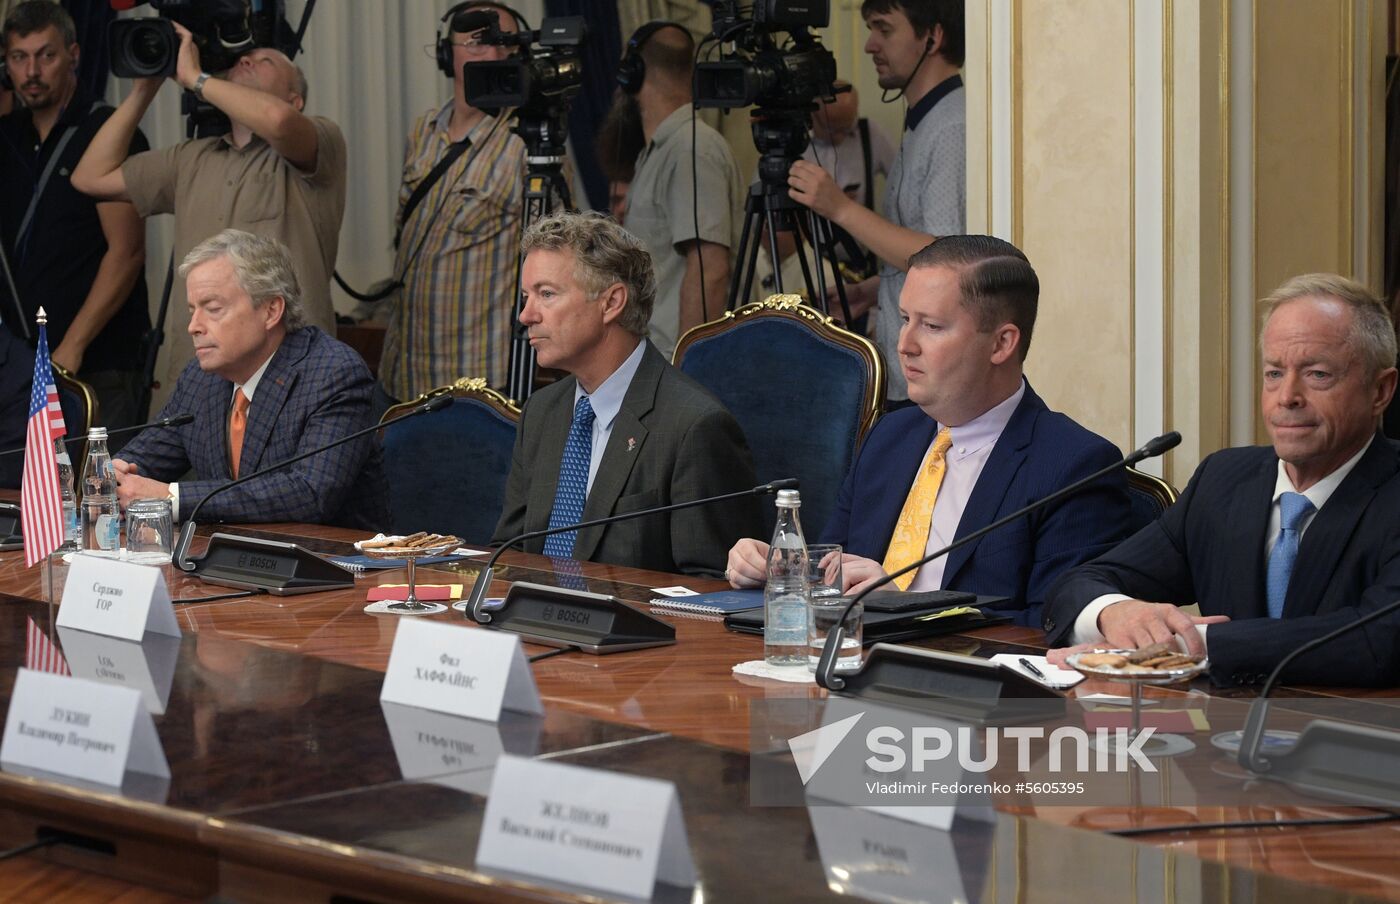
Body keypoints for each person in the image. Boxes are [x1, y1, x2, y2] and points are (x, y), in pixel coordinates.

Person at [726, 235, 1131, 625]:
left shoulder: (1073, 465)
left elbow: (1052, 625)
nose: (905, 344)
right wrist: (782, 569)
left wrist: (907, 608)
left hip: (968, 687)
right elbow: (834, 570)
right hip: (849, 672)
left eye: (932, 326)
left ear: (1001, 344)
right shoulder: (889, 436)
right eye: (904, 320)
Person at [1046, 274, 1400, 687]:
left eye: (1317, 374)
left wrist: (1190, 642)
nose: (1287, 396)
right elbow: (1077, 584)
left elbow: (1377, 640)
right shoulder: (1225, 480)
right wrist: (1115, 613)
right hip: (1211, 736)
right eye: (1273, 373)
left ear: (1380, 390)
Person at [71, 21, 345, 404]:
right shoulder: (191, 157)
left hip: (292, 383)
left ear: (295, 98)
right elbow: (90, 177)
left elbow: (279, 122)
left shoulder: (319, 141)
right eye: (243, 59)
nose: (247, 59)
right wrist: (144, 89)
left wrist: (195, 78)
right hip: (198, 383)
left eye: (265, 60)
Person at [494, 211, 762, 577]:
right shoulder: (542, 411)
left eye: (546, 294)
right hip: (533, 625)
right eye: (526, 296)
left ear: (611, 302)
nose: (526, 315)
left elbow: (712, 591)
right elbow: (509, 555)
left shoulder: (694, 426)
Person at [113, 230, 387, 530]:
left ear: (271, 310)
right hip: (225, 562)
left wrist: (171, 497)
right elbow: (143, 459)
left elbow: (310, 493)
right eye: (192, 310)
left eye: (213, 309)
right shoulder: (200, 379)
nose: (194, 326)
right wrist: (117, 474)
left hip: (334, 565)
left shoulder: (334, 374)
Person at [787, 0, 965, 405]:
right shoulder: (924, 119)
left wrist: (840, 208)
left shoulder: (951, 126)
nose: (869, 45)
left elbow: (944, 256)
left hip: (932, 383)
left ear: (932, 37)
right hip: (910, 373)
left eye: (884, 30)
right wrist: (874, 288)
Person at [0, 1, 149, 432]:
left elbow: (127, 252)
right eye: (18, 57)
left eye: (46, 55)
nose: (32, 71)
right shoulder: (7, 136)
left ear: (74, 55)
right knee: (28, 494)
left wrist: (72, 347)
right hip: (19, 368)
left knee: (104, 494)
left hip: (95, 364)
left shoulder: (107, 129)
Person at [376, 2, 528, 415]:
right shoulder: (422, 130)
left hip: (475, 384)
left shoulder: (524, 142)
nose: (493, 54)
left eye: (504, 42)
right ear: (448, 54)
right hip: (400, 376)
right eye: (479, 41)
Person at [598, 21, 743, 357]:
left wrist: (685, 375)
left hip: (672, 363)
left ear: (631, 74)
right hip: (653, 357)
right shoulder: (660, 151)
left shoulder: (690, 150)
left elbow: (710, 270)